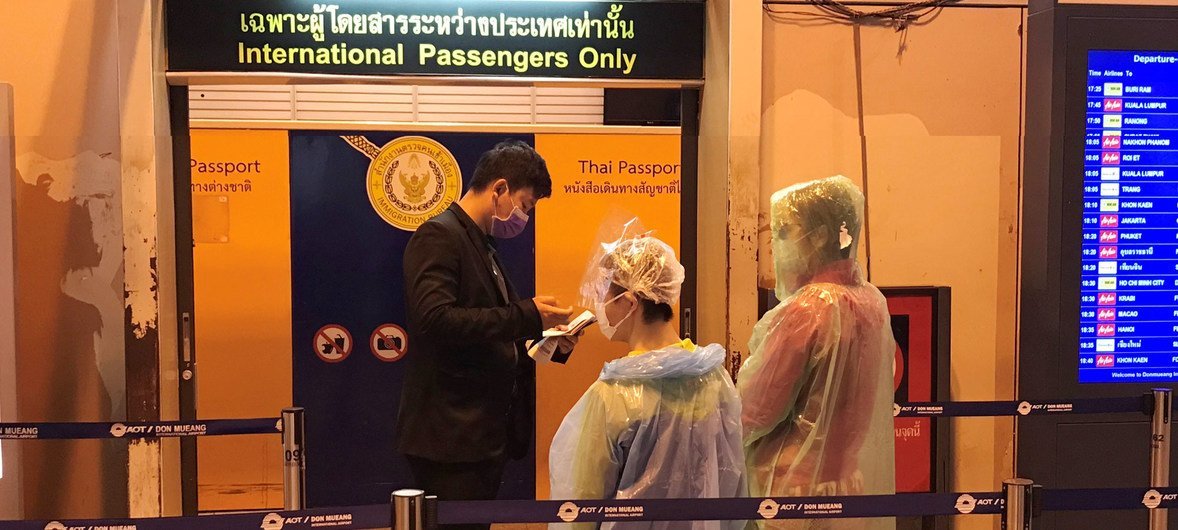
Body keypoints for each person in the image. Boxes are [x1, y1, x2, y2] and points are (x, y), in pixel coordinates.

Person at [396, 140, 575, 529]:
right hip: (450, 439)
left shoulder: (482, 245)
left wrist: (547, 338)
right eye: (525, 205)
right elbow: (435, 320)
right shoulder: (439, 237)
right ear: (499, 190)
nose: (524, 216)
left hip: (480, 437)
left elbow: (495, 333)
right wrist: (527, 314)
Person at [550, 228, 746, 530]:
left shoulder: (613, 393)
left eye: (606, 294)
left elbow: (584, 507)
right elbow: (732, 479)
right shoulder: (714, 377)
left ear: (630, 303)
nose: (601, 304)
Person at [738, 176, 895, 530]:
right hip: (847, 483)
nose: (777, 246)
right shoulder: (872, 302)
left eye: (783, 232)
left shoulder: (807, 309)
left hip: (793, 491)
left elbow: (754, 411)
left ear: (821, 235)